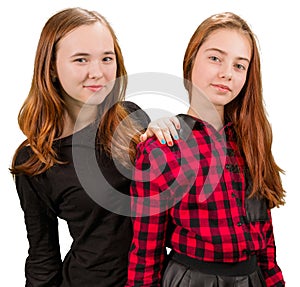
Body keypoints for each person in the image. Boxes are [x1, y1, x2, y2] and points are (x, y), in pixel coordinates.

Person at [10, 7, 178, 287]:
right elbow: (43, 256)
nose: (97, 72)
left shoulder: (132, 119)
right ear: (51, 67)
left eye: (106, 58)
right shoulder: (35, 159)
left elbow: (172, 212)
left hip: (155, 279)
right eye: (80, 59)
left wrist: (168, 141)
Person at [126, 12, 285, 287]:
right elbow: (145, 251)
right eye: (215, 58)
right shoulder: (163, 148)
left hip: (252, 279)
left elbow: (265, 241)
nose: (226, 73)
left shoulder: (250, 141)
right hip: (192, 279)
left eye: (239, 66)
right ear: (191, 60)